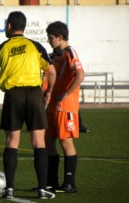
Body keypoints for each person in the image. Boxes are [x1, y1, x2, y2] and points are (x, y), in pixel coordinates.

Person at [0, 11, 56, 199]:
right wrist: (48, 92)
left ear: (9, 26)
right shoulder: (35, 46)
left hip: (13, 95)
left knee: (12, 142)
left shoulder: (3, 47)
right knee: (39, 142)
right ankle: (42, 188)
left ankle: (9, 189)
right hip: (34, 95)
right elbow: (52, 70)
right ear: (23, 27)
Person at [45, 21, 84, 193]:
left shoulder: (70, 52)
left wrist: (66, 94)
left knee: (65, 141)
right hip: (52, 106)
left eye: (51, 37)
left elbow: (80, 74)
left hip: (65, 106)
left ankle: (70, 183)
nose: (48, 40)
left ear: (60, 37)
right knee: (47, 141)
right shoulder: (54, 55)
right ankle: (51, 182)